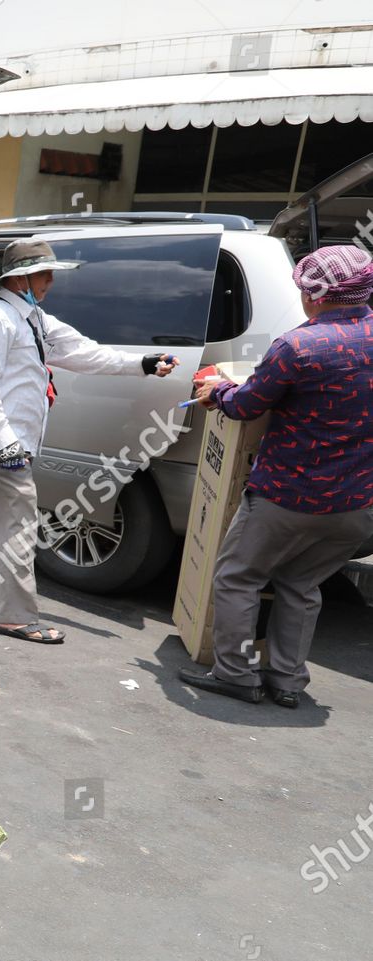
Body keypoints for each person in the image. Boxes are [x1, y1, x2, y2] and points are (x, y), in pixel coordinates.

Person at [0, 237, 179, 643]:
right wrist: (5, 441)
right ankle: (14, 616)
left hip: (14, 443)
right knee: (20, 525)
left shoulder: (34, 319)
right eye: (45, 273)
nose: (51, 281)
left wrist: (142, 364)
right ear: (21, 278)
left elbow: (84, 353)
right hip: (2, 445)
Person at [179, 246, 373, 707]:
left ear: (314, 295)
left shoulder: (297, 347)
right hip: (357, 505)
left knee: (237, 577)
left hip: (288, 498)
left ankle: (235, 674)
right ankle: (286, 681)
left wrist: (218, 389)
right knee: (302, 585)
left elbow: (246, 406)